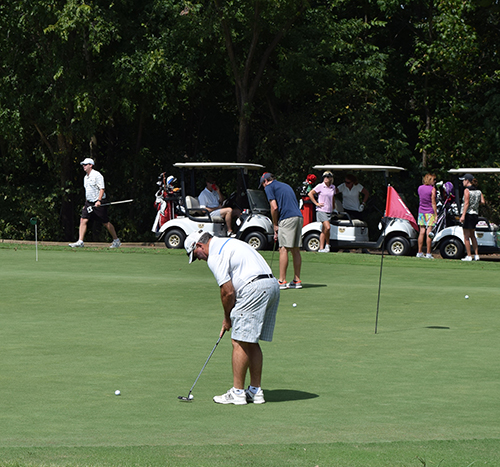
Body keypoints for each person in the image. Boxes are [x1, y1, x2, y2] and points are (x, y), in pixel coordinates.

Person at [184, 230, 280, 405]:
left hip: (254, 288)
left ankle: (237, 392)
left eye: (196, 255)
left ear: (199, 245)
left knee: (239, 341)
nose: (199, 259)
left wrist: (227, 318)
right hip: (271, 285)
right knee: (250, 340)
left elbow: (227, 292)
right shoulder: (229, 242)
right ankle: (255, 391)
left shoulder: (214, 255)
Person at [260, 172, 303, 289]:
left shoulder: (269, 187)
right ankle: (296, 280)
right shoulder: (285, 185)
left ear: (265, 181)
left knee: (283, 248)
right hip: (298, 217)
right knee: (295, 249)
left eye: (263, 185)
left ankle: (282, 281)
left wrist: (275, 225)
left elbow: (274, 207)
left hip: (287, 218)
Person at [69, 158, 121, 248]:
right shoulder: (85, 177)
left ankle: (116, 240)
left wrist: (99, 200)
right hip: (89, 203)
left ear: (91, 165)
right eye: (83, 165)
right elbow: (88, 191)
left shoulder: (97, 175)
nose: (83, 166)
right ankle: (80, 241)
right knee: (83, 220)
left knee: (105, 222)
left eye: (85, 165)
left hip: (98, 202)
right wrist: (85, 204)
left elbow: (102, 188)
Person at [308, 171, 336, 253]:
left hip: (329, 210)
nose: (326, 178)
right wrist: (316, 203)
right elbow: (310, 194)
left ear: (331, 178)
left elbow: (333, 198)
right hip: (321, 210)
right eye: (325, 177)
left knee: (324, 230)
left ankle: (321, 248)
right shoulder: (320, 186)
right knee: (327, 227)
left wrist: (333, 207)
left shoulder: (332, 187)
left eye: (328, 177)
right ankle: (327, 245)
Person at [459, 173, 485, 261]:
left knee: (466, 236)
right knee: (472, 235)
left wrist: (463, 215)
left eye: (463, 180)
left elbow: (466, 203)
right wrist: (475, 204)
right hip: (475, 214)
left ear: (467, 181)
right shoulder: (478, 191)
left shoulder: (467, 190)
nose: (462, 182)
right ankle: (476, 255)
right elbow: (483, 201)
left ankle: (469, 255)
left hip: (468, 214)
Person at [416, 173, 438, 259]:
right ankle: (428, 253)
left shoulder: (420, 188)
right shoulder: (432, 189)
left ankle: (419, 252)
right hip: (430, 212)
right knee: (429, 232)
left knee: (421, 231)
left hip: (421, 212)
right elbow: (433, 202)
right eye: (433, 180)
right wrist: (436, 214)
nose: (434, 182)